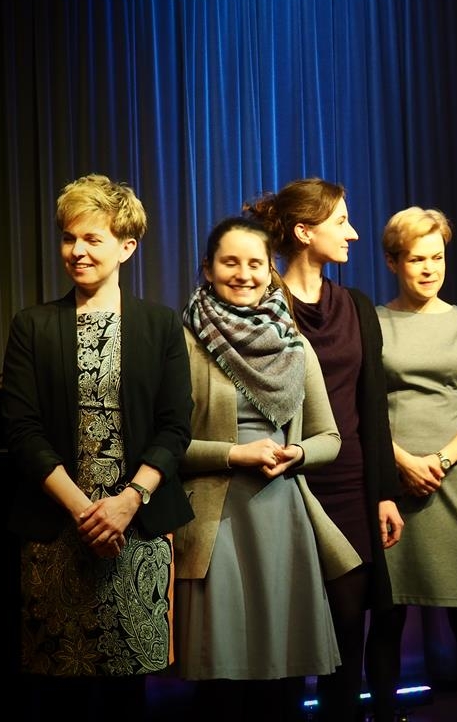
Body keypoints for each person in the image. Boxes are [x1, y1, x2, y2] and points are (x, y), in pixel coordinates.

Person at [1, 174, 194, 721]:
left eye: (92, 238)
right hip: (57, 528)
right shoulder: (32, 325)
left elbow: (175, 427)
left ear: (126, 247)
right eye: (69, 238)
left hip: (137, 530)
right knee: (58, 694)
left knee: (127, 696)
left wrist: (128, 502)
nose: (77, 251)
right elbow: (22, 430)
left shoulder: (160, 324)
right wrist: (86, 513)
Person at [172, 215, 360, 722]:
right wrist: (234, 454)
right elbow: (165, 445)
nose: (244, 274)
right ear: (207, 268)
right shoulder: (183, 342)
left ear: (269, 269)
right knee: (222, 681)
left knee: (283, 683)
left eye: (255, 263)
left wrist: (296, 454)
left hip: (282, 517)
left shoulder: (292, 343)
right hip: (215, 521)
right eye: (230, 262)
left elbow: (329, 438)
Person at [249, 177, 404, 722]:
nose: (353, 234)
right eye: (341, 222)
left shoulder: (356, 306)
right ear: (303, 231)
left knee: (347, 632)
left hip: (351, 486)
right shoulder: (263, 305)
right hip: (288, 484)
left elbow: (373, 405)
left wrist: (384, 493)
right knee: (289, 636)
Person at [365, 206, 457, 722]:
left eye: (437, 257)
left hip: (453, 485)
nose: (429, 268)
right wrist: (402, 461)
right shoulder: (375, 323)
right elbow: (363, 406)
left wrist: (440, 460)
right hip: (393, 485)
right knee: (387, 620)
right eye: (417, 258)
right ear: (393, 262)